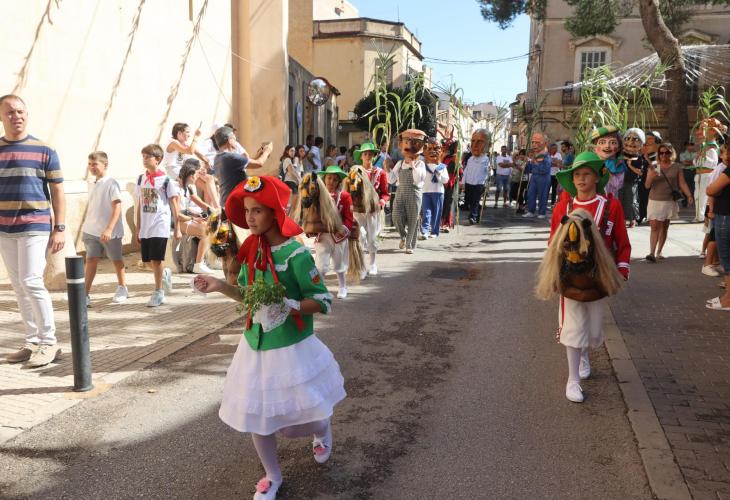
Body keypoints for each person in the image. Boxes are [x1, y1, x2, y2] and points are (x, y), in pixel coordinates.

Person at [193, 175, 345, 499]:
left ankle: (322, 428)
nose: (249, 218)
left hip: (291, 349)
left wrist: (290, 305)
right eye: (247, 211)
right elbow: (249, 297)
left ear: (275, 212)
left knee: (292, 425)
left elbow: (323, 300)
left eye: (257, 211)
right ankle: (272, 476)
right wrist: (219, 286)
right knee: (259, 419)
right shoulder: (252, 249)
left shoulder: (296, 254)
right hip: (254, 347)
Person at [541, 151, 630, 403]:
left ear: (597, 177)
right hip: (570, 277)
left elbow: (622, 241)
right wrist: (553, 273)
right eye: (577, 174)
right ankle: (573, 381)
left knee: (592, 329)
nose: (581, 179)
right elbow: (553, 240)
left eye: (586, 174)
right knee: (572, 327)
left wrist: (622, 269)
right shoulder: (564, 207)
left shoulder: (612, 206)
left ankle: (583, 354)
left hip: (598, 278)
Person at [0, 94, 65, 367]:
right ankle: (32, 341)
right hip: (5, 228)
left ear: (27, 114)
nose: (16, 116)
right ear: (1, 117)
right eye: (10, 112)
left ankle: (49, 342)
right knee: (18, 285)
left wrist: (59, 228)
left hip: (34, 225)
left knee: (31, 280)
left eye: (20, 111)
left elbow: (58, 191)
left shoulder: (44, 149)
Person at [214, 126, 271, 284]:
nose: (236, 141)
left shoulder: (219, 158)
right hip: (236, 208)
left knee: (229, 251)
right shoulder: (231, 157)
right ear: (229, 140)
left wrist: (255, 154)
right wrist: (267, 151)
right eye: (234, 138)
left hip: (225, 206)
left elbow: (246, 161)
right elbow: (259, 163)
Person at [136, 144, 180, 307]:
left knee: (156, 259)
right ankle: (165, 273)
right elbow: (140, 204)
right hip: (146, 226)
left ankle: (158, 292)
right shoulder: (141, 179)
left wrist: (178, 228)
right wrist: (138, 227)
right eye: (143, 156)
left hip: (160, 224)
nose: (144, 159)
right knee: (147, 261)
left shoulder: (166, 180)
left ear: (158, 159)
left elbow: (175, 205)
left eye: (148, 157)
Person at [82, 151, 128, 307]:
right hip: (91, 230)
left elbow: (117, 207)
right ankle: (84, 294)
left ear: (105, 164)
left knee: (116, 259)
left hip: (110, 232)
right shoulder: (91, 182)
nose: (92, 167)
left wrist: (109, 229)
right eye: (89, 164)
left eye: (95, 164)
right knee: (90, 260)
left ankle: (122, 287)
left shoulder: (111, 183)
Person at [644, 143, 694, 262]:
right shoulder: (655, 166)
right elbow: (647, 185)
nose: (664, 155)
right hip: (655, 200)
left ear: (671, 153)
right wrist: (651, 176)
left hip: (669, 201)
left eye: (667, 152)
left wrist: (689, 195)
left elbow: (682, 183)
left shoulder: (676, 167)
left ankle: (659, 251)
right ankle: (651, 253)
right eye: (661, 153)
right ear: (658, 154)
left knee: (664, 227)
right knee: (654, 227)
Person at [316, 165, 354, 298]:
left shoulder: (344, 196)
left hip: (338, 236)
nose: (331, 182)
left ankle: (343, 286)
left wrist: (343, 229)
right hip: (322, 235)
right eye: (329, 178)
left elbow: (349, 218)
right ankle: (320, 290)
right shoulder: (317, 195)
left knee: (339, 264)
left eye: (335, 179)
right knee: (321, 266)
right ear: (324, 179)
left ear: (339, 182)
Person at [388, 129, 428, 252]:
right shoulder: (400, 163)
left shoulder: (420, 164)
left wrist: (413, 167)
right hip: (400, 193)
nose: (409, 145)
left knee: (413, 219)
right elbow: (391, 180)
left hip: (414, 194)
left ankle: (409, 245)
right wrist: (387, 168)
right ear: (401, 144)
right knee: (396, 216)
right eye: (406, 141)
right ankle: (403, 236)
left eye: (414, 142)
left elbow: (418, 180)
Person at [353, 142, 388, 275]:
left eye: (370, 154)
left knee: (372, 238)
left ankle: (373, 264)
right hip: (358, 210)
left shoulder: (380, 173)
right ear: (361, 156)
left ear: (374, 156)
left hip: (373, 210)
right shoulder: (355, 172)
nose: (368, 156)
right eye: (365, 154)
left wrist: (382, 202)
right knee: (361, 236)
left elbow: (385, 193)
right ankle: (361, 266)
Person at [176, 161, 214, 274]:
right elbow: (177, 214)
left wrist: (213, 212)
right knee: (206, 231)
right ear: (191, 175)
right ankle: (198, 264)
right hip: (177, 221)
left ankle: (209, 260)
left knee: (210, 225)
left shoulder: (187, 188)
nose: (198, 177)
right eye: (197, 174)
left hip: (185, 218)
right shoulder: (175, 188)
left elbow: (196, 205)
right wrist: (193, 219)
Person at [706, 139, 730, 310]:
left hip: (726, 216)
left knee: (727, 259)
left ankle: (728, 299)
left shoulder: (728, 171)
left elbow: (711, 189)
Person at [694, 119, 725, 223]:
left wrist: (704, 156)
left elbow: (713, 164)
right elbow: (696, 163)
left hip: (707, 175)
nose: (699, 132)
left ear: (712, 131)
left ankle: (702, 216)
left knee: (703, 196)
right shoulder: (704, 146)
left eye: (703, 129)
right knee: (698, 196)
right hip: (699, 175)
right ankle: (699, 216)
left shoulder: (712, 147)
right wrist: (698, 157)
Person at [420, 138, 449, 239]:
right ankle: (424, 231)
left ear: (441, 151)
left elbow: (446, 180)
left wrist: (439, 174)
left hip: (438, 192)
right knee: (426, 212)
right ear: (424, 151)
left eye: (436, 148)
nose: (433, 151)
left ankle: (434, 231)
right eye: (429, 149)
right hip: (425, 191)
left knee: (437, 213)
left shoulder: (442, 167)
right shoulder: (422, 165)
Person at [463, 129, 491, 224]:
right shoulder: (470, 159)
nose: (475, 145)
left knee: (475, 200)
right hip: (469, 182)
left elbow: (489, 173)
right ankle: (477, 214)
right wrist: (463, 182)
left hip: (479, 183)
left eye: (480, 142)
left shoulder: (486, 159)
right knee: (471, 201)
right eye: (473, 141)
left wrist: (489, 171)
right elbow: (466, 171)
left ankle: (473, 217)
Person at [621, 128, 647, 227]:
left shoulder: (639, 158)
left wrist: (630, 165)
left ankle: (633, 219)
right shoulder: (620, 156)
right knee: (621, 200)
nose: (630, 142)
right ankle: (622, 219)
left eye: (635, 139)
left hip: (632, 182)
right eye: (627, 138)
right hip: (620, 182)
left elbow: (640, 172)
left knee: (631, 201)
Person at [523, 132, 552, 219]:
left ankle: (542, 212)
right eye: (533, 142)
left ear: (544, 143)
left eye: (537, 142)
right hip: (534, 176)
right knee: (530, 193)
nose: (534, 144)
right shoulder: (534, 155)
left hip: (543, 177)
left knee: (542, 195)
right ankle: (530, 211)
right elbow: (530, 169)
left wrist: (535, 162)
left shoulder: (546, 156)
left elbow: (545, 169)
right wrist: (527, 164)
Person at [592, 126, 624, 199]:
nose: (607, 146)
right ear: (595, 148)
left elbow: (617, 185)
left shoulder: (618, 164)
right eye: (602, 142)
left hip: (610, 200)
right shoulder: (591, 163)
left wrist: (605, 167)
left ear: (619, 147)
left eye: (613, 142)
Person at [640, 131, 662, 224]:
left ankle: (651, 217)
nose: (647, 141)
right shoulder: (643, 150)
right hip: (642, 178)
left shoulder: (659, 152)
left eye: (650, 138)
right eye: (647, 138)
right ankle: (642, 216)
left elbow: (657, 169)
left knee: (651, 199)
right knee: (642, 198)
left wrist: (647, 159)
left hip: (653, 179)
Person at [440, 139, 460, 231]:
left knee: (449, 202)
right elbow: (439, 168)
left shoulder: (455, 158)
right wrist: (442, 157)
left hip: (451, 183)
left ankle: (447, 223)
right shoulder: (443, 158)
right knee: (442, 202)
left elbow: (459, 172)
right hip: (441, 183)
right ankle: (440, 222)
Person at [280, 145, 302, 214]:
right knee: (293, 205)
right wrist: (298, 180)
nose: (293, 153)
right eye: (291, 151)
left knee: (292, 205)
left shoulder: (290, 160)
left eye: (294, 151)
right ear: (287, 151)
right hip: (291, 183)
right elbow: (291, 171)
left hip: (292, 183)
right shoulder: (287, 159)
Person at [679, 141, 696, 208]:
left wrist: (689, 162)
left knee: (694, 187)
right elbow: (684, 163)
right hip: (686, 171)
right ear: (686, 146)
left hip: (694, 171)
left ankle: (694, 202)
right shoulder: (682, 154)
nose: (690, 147)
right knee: (685, 186)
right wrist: (693, 162)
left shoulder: (696, 154)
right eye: (688, 145)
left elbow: (697, 162)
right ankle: (684, 203)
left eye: (691, 145)